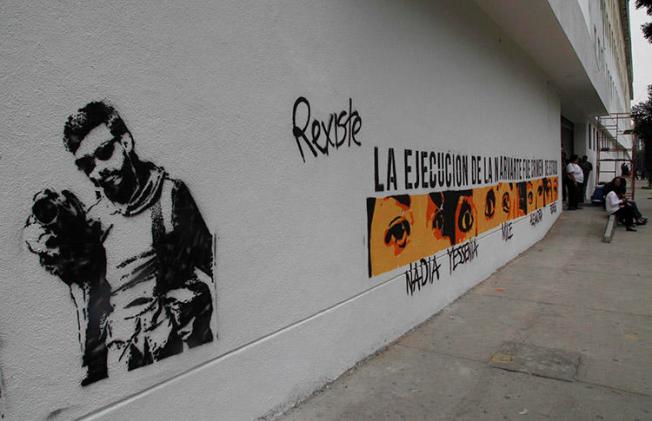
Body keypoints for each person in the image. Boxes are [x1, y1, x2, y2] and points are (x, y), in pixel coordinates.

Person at [24, 101, 215, 385]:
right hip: (127, 364)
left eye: (104, 152)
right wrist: (53, 254)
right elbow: (91, 306)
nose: (98, 169)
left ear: (125, 141)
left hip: (185, 353)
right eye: (86, 164)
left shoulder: (170, 195)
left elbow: (211, 268)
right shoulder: (95, 224)